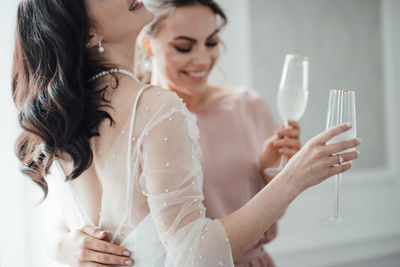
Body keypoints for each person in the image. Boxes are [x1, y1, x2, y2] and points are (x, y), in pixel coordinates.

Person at [12, 1, 360, 267]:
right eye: (183, 45)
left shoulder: (66, 110)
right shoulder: (156, 107)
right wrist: (296, 177)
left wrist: (270, 172)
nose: (202, 58)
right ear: (89, 35)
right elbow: (191, 254)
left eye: (211, 42)